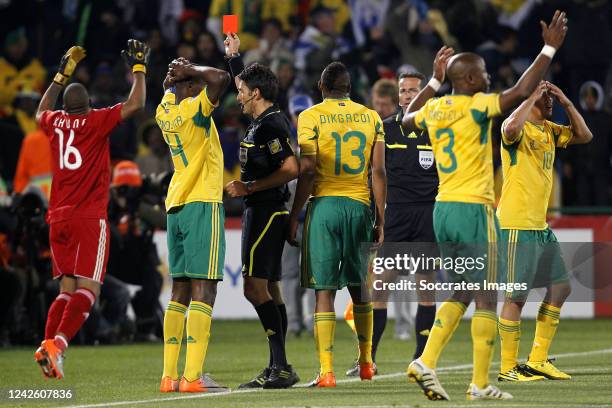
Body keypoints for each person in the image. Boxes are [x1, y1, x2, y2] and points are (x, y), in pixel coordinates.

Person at [402, 10, 568, 401]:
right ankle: (478, 384)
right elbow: (521, 90)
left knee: (462, 291)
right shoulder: (475, 106)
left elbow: (407, 119)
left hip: (443, 209)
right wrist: (549, 48)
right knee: (487, 295)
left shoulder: (436, 107)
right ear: (472, 80)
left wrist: (433, 81)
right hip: (474, 208)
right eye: (486, 75)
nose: (490, 80)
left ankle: (425, 362)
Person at [33, 39, 149, 379]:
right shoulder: (96, 121)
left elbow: (40, 111)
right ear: (89, 105)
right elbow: (136, 103)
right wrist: (139, 68)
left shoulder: (54, 123)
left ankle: (47, 345)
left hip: (58, 217)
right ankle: (58, 346)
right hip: (88, 216)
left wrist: (58, 77)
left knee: (65, 289)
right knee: (89, 289)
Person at [288, 61, 386, 387]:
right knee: (360, 289)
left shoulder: (310, 117)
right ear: (349, 87)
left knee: (324, 291)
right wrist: (380, 217)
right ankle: (367, 362)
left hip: (325, 206)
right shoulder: (371, 117)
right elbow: (379, 172)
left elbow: (308, 170)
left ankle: (326, 371)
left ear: (321, 85)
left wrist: (294, 214)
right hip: (359, 205)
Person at [497, 81, 592, 382]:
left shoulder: (550, 130)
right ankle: (508, 367)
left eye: (550, 96)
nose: (548, 100)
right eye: (544, 97)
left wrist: (566, 102)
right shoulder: (517, 127)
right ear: (530, 99)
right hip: (516, 224)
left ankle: (537, 359)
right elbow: (510, 128)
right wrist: (532, 96)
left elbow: (585, 136)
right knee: (516, 297)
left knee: (561, 287)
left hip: (539, 225)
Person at [223, 33, 300, 389]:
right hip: (265, 210)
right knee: (270, 286)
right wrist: (234, 57)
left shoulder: (272, 124)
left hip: (266, 210)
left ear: (256, 94)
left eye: (242, 90)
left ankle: (280, 364)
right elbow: (242, 80)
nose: (237, 94)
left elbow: (290, 168)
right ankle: (278, 366)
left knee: (254, 289)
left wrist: (249, 187)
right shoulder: (261, 118)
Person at [156, 56, 231, 393]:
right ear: (187, 87)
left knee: (180, 290)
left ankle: (169, 376)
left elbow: (167, 89)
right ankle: (192, 377)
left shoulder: (165, 110)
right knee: (205, 288)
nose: (203, 87)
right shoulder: (194, 111)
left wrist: (176, 75)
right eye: (194, 84)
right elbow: (220, 79)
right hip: (201, 201)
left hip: (176, 204)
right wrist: (191, 71)